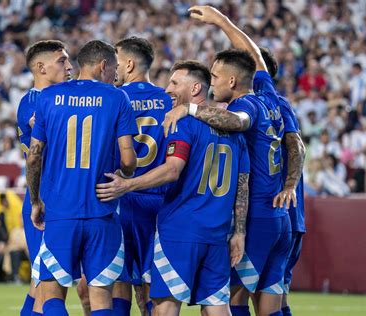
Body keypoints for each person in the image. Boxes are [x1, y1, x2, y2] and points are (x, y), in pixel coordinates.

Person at [163, 6, 292, 316]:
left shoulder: (246, 104)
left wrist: (190, 110)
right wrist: (221, 21)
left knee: (230, 303)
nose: (211, 82)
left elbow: (237, 122)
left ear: (233, 81)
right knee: (271, 306)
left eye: (216, 76)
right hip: (279, 221)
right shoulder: (269, 95)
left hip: (256, 217)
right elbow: (256, 58)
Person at [96, 60, 250, 316]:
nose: (167, 88)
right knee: (217, 309)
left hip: (180, 230)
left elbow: (172, 170)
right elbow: (242, 185)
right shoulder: (236, 133)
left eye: (175, 83)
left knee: (165, 308)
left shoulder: (184, 123)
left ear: (196, 89)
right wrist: (239, 232)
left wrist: (127, 185)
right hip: (217, 233)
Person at [26, 40, 137, 316]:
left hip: (60, 212)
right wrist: (124, 177)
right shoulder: (116, 97)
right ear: (103, 66)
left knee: (51, 293)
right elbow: (128, 160)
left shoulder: (48, 97)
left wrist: (36, 200)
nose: (115, 75)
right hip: (101, 211)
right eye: (114, 68)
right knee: (100, 297)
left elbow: (34, 156)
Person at [112, 36, 172, 316]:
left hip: (121, 197)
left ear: (130, 63)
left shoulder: (113, 98)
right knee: (150, 286)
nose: (114, 67)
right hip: (159, 201)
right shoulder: (169, 101)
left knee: (116, 280)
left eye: (117, 60)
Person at [16, 39, 73, 316]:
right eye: (62, 61)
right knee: (46, 288)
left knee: (39, 284)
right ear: (40, 67)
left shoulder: (58, 97)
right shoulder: (33, 103)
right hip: (44, 201)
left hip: (59, 198)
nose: (70, 66)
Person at [260, 48, 306, 316]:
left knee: (247, 295)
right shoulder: (265, 106)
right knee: (273, 297)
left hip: (279, 213)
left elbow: (297, 146)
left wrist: (289, 187)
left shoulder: (276, 104)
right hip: (282, 215)